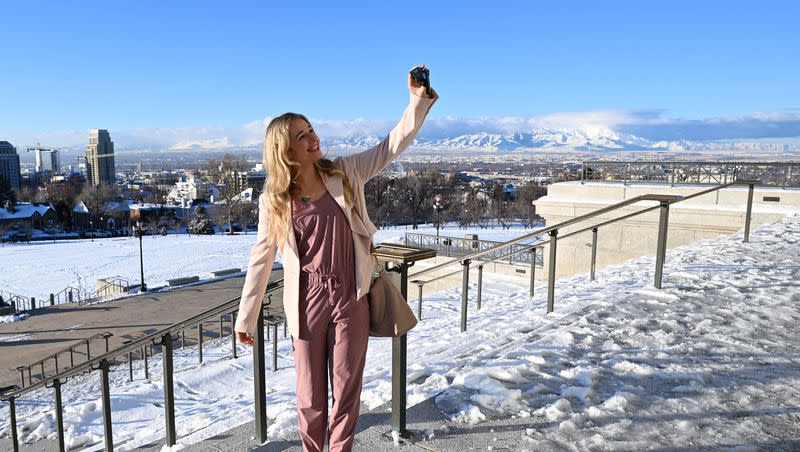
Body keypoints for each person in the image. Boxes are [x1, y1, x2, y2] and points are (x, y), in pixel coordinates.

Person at [234, 66, 438, 452]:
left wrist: (416, 99)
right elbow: (261, 259)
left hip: (351, 295)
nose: (313, 138)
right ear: (285, 149)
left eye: (311, 130)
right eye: (302, 135)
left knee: (346, 388)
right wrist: (247, 316)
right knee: (309, 397)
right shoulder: (274, 201)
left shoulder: (345, 173)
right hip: (306, 301)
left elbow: (390, 146)